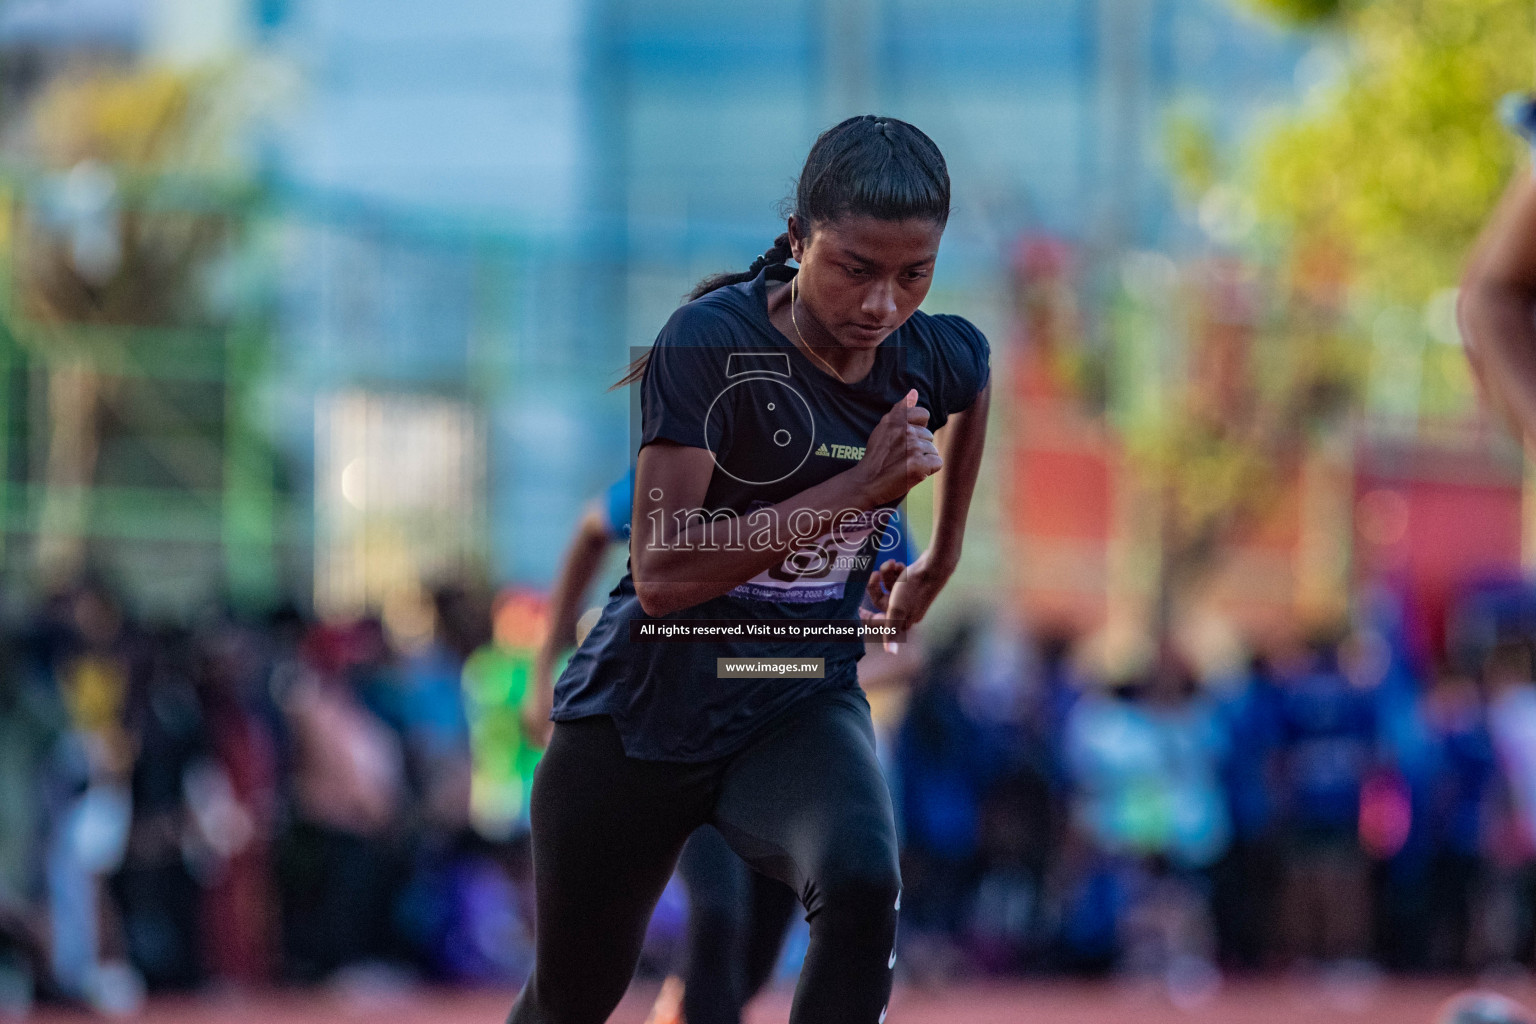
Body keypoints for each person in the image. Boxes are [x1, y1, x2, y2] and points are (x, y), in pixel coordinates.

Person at [506, 114, 991, 1024]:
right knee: (570, 1002)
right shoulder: (708, 347)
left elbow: (976, 374)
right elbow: (662, 574)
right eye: (855, 268)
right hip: (643, 711)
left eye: (913, 275)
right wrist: (862, 485)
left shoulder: (928, 352)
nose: (884, 305)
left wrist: (940, 558)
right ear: (799, 239)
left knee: (858, 878)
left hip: (791, 694)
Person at [528, 468, 920, 1024]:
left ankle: (685, 1010)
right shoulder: (715, 462)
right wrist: (546, 663)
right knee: (717, 916)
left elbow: (906, 649)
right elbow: (593, 526)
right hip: (684, 735)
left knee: (754, 956)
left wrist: (796, 668)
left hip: (790, 751)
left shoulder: (870, 500)